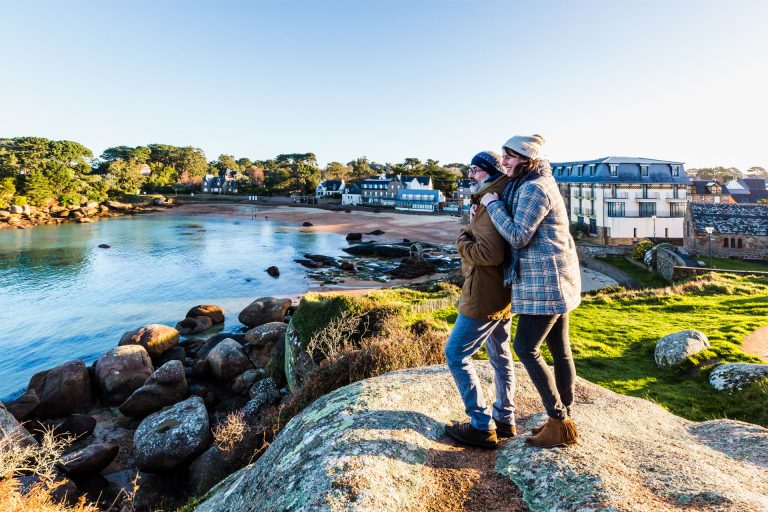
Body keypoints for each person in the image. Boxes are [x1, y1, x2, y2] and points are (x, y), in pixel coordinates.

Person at [480, 134, 582, 448]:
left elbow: (518, 236)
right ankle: (562, 418)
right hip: (556, 279)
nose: (504, 162)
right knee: (560, 350)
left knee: (526, 348)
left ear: (525, 159)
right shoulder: (537, 182)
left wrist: (493, 205)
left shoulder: (534, 188)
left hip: (545, 284)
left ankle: (559, 419)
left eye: (508, 157)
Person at [444, 151, 516, 449]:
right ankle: (505, 418)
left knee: (456, 353)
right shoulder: (497, 196)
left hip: (484, 294)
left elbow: (490, 254)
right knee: (499, 352)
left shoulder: (491, 201)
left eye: (474, 170)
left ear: (488, 171)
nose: (470, 175)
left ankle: (481, 425)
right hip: (503, 292)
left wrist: (462, 237)